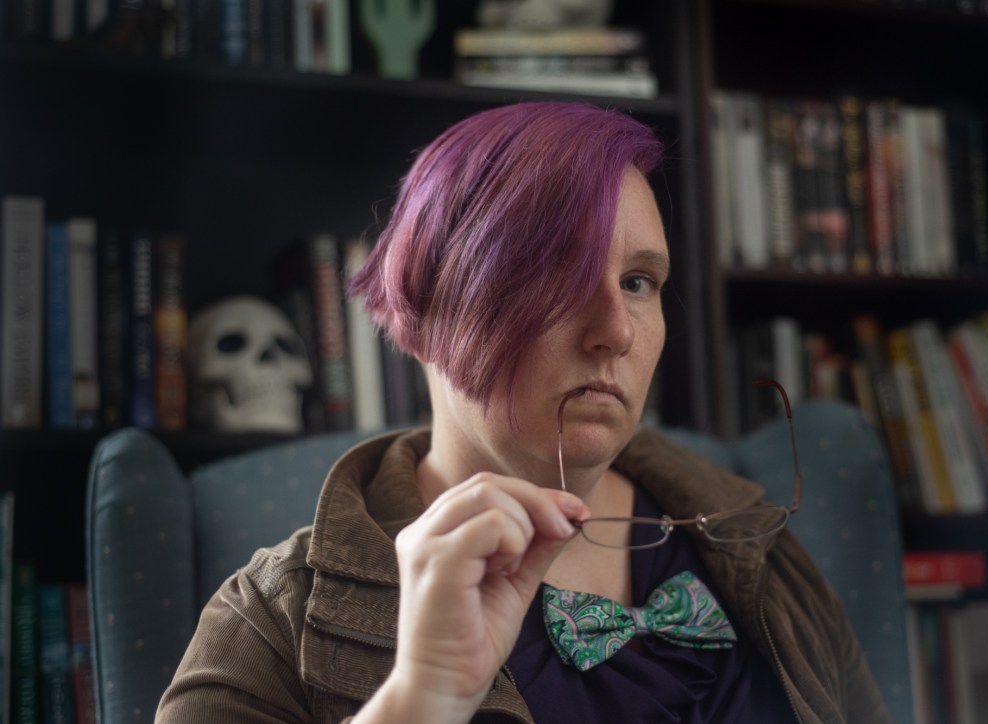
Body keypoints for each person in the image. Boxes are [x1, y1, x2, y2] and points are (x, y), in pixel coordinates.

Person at [156, 102, 891, 723]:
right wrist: (418, 700)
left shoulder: (758, 549)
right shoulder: (268, 622)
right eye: (560, 274)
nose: (618, 330)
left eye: (639, 281)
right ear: (432, 305)